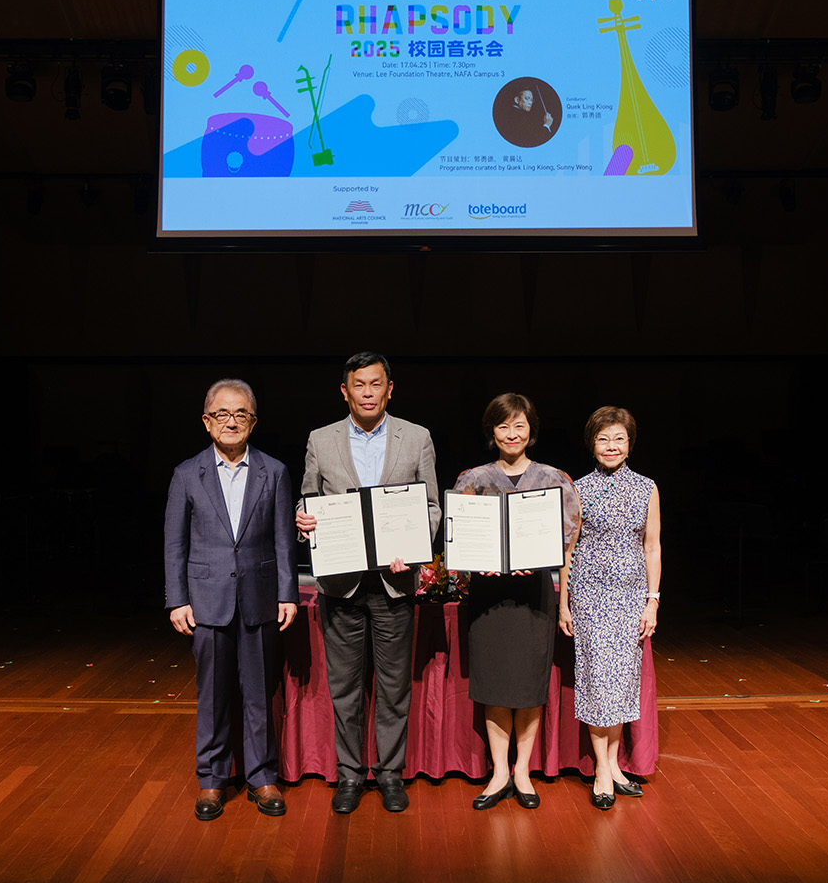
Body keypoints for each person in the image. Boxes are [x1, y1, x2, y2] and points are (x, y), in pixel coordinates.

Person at [296, 352, 441, 814]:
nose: (367, 393)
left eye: (376, 384)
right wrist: (304, 520)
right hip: (341, 584)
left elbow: (432, 508)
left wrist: (413, 545)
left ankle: (391, 774)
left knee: (394, 687)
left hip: (394, 584)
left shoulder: (416, 437)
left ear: (389, 389)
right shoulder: (321, 439)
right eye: (358, 385)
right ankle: (350, 775)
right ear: (345, 391)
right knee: (345, 687)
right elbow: (308, 500)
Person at [165, 379, 298, 822]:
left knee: (260, 693)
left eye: (241, 414)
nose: (231, 421)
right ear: (206, 422)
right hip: (206, 601)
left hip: (260, 598)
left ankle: (262, 777)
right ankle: (212, 779)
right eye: (222, 414)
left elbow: (283, 540)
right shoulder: (187, 474)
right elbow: (175, 545)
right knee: (213, 696)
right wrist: (177, 600)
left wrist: (287, 594)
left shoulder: (274, 472)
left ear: (253, 422)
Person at [452, 394, 580, 811]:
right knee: (494, 684)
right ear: (492, 431)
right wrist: (477, 563)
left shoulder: (554, 478)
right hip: (488, 596)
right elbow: (458, 537)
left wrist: (541, 559)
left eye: (519, 425)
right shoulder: (473, 479)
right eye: (503, 426)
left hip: (534, 594)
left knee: (527, 685)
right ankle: (499, 772)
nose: (512, 434)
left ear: (531, 430)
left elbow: (568, 537)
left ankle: (522, 770)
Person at [558, 405, 661, 811]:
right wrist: (564, 603)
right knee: (597, 679)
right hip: (590, 594)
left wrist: (653, 600)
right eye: (603, 439)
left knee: (621, 681)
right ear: (592, 444)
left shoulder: (647, 488)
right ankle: (603, 768)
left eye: (619, 439)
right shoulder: (578, 489)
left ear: (630, 444)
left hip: (631, 596)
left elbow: (652, 547)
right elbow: (568, 550)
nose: (611, 446)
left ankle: (614, 765)